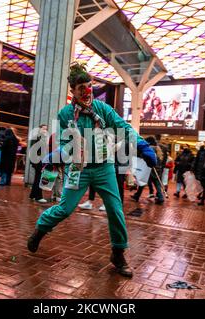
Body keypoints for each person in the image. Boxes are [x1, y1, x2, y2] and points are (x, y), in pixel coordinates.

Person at [27, 63, 157, 277]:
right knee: (65, 209)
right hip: (78, 168)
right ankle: (40, 230)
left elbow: (122, 127)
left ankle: (118, 253)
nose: (87, 91)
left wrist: (142, 145)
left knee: (115, 210)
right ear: (73, 91)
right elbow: (63, 142)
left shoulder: (102, 109)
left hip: (104, 167)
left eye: (89, 86)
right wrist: (58, 155)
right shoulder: (65, 114)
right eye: (82, 88)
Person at [131, 136, 165, 205]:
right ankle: (161, 197)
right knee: (157, 183)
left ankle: (137, 195)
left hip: (149, 168)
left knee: (143, 182)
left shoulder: (149, 148)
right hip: (157, 168)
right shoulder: (158, 149)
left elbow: (144, 156)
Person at [28, 124, 49, 204]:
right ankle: (38, 197)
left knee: (37, 178)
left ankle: (33, 195)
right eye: (43, 129)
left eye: (46, 129)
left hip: (39, 161)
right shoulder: (37, 138)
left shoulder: (41, 138)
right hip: (38, 161)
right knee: (39, 178)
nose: (45, 131)